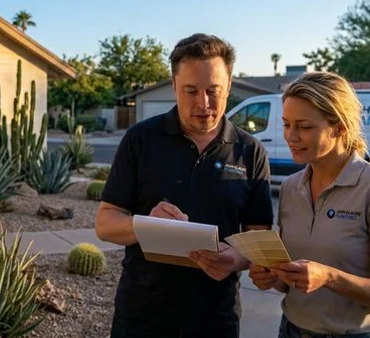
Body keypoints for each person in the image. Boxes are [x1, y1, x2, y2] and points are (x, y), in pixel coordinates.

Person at [95, 33, 274, 338]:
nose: (203, 104)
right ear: (174, 85)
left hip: (216, 317)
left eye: (213, 91)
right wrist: (147, 224)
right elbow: (105, 224)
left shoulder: (250, 151)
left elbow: (259, 239)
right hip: (141, 315)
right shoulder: (140, 139)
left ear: (229, 86)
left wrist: (235, 259)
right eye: (191, 90)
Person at [248, 71, 370, 338]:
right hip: (291, 329)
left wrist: (329, 277)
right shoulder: (291, 187)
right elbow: (290, 280)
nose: (291, 136)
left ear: (339, 127)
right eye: (287, 124)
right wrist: (273, 277)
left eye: (304, 126)